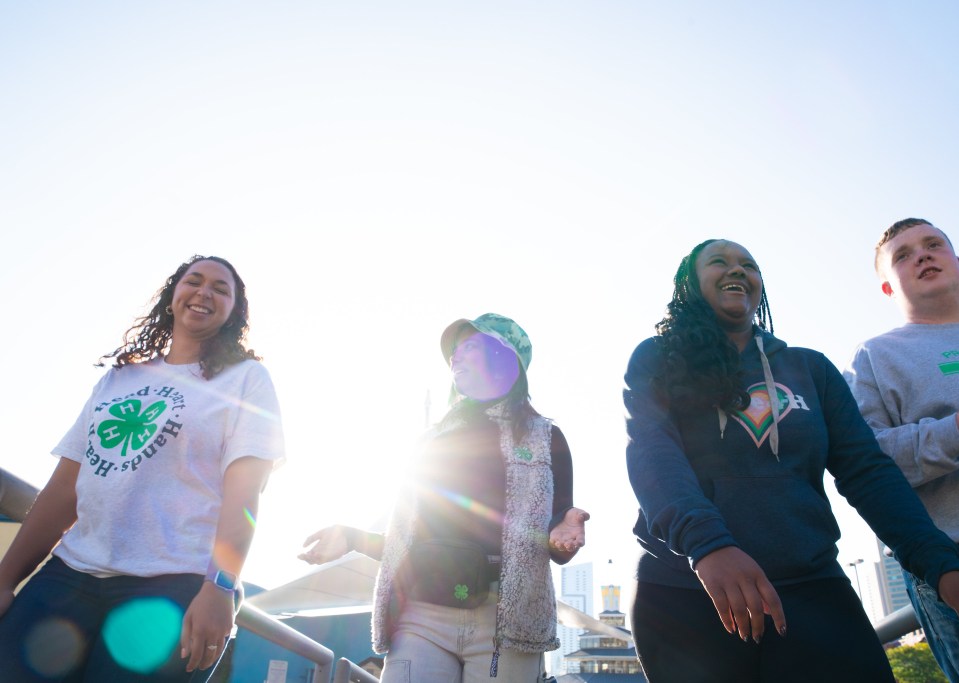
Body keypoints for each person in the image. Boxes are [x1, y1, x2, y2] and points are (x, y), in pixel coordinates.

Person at [623, 238, 959, 682]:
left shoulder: (811, 370)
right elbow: (652, 453)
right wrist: (709, 545)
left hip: (810, 587)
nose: (737, 270)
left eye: (749, 264)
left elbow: (869, 473)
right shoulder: (657, 358)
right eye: (719, 262)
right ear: (689, 284)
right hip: (684, 591)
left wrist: (941, 565)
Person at [0, 255, 286, 682]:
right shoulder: (119, 380)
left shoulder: (246, 380)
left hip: (170, 585)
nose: (204, 291)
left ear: (233, 313)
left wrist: (221, 587)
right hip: (71, 574)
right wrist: (5, 578)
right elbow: (64, 490)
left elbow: (243, 497)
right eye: (194, 280)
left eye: (221, 289)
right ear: (172, 298)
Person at [300, 313, 589, 683]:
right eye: (454, 351)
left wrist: (565, 533)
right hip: (421, 617)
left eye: (470, 347)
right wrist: (352, 538)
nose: (455, 357)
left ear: (506, 359)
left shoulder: (546, 438)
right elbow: (406, 543)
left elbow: (557, 536)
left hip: (506, 622)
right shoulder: (429, 442)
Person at [845, 218, 959, 682]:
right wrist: (957, 432)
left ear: (958, 263)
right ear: (887, 287)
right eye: (903, 255)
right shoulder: (875, 358)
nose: (922, 255)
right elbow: (864, 464)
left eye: (933, 245)